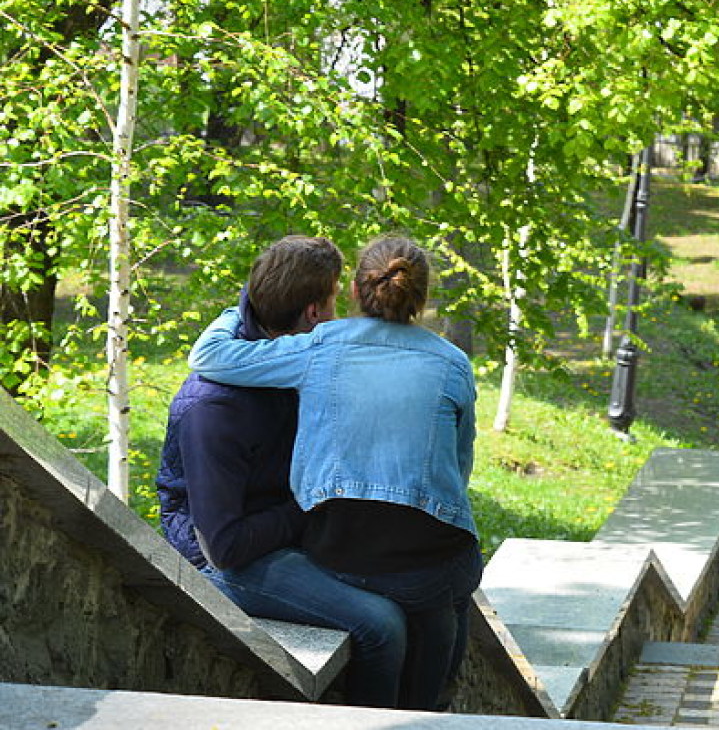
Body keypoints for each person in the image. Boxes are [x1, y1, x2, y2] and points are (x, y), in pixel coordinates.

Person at [187, 235, 482, 712]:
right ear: (421, 297)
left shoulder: (321, 346)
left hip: (340, 553)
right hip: (438, 563)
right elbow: (458, 469)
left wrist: (238, 308)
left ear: (354, 291)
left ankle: (402, 711)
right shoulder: (453, 363)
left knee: (433, 608)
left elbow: (211, 357)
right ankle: (433, 705)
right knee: (446, 600)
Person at [156, 236, 407, 707]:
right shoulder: (213, 408)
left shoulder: (292, 358)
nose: (341, 312)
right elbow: (224, 546)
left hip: (283, 522)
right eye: (335, 298)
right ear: (313, 312)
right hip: (219, 556)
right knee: (383, 626)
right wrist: (310, 506)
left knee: (427, 584)